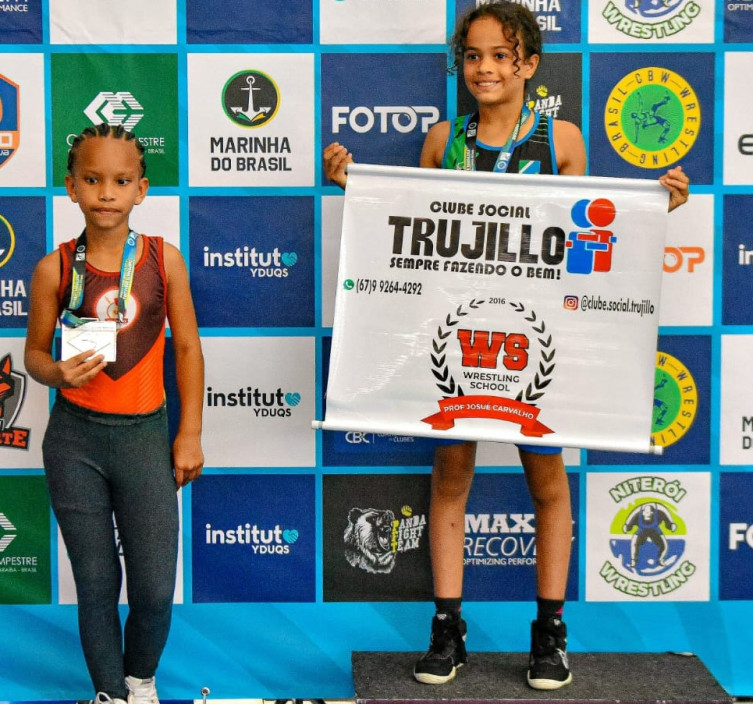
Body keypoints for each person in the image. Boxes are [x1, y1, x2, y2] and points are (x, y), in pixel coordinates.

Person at [323, 0, 690, 692]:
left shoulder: (562, 140)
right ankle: (447, 629)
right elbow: (411, 231)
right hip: (457, 337)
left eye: (499, 55)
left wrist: (652, 212)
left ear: (528, 64)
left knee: (547, 484)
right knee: (450, 479)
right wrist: (354, 186)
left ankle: (550, 634)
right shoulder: (443, 141)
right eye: (472, 55)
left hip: (535, 341)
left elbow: (587, 242)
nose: (484, 67)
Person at [25, 123, 205, 704]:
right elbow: (33, 356)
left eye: (121, 181)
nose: (107, 192)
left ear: (141, 190)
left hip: (145, 439)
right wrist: (56, 372)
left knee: (153, 590)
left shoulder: (163, 259)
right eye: (93, 179)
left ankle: (140, 681)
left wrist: (190, 433)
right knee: (97, 585)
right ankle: (110, 693)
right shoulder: (54, 268)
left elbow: (187, 349)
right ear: (71, 187)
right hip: (74, 442)